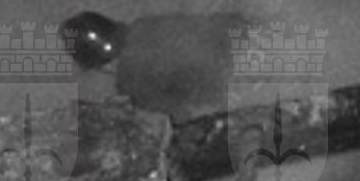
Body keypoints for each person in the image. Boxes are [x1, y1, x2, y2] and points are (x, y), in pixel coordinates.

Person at [60, 10, 260, 124]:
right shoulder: (146, 24)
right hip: (255, 49)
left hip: (241, 94)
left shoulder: (132, 82)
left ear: (99, 65)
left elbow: (180, 120)